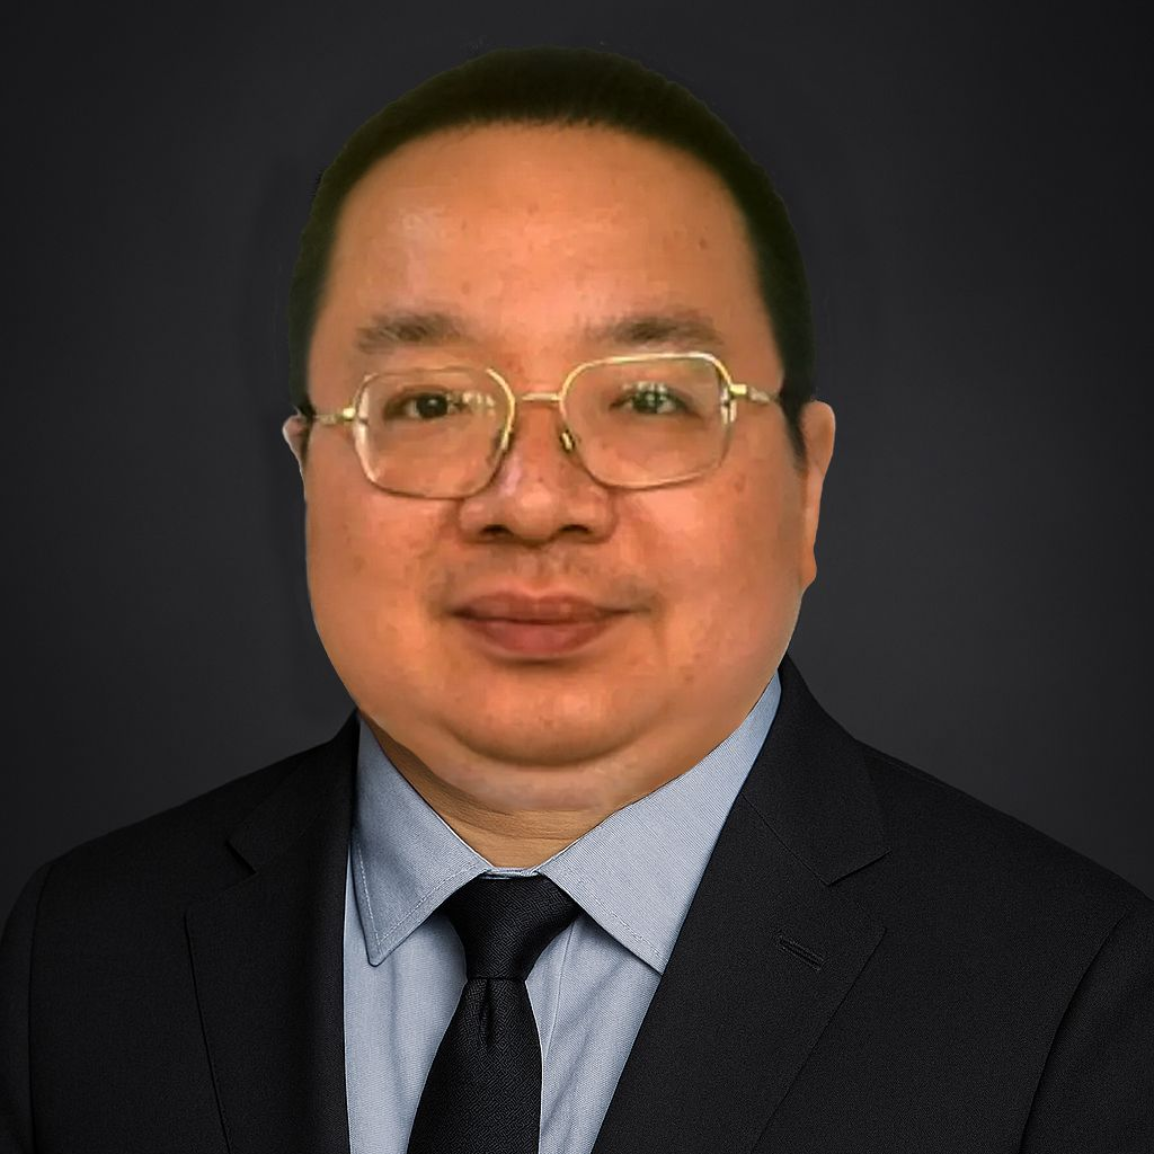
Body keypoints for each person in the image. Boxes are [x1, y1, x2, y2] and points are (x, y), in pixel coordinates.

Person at [1, 44, 1151, 1154]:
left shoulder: (1077, 996)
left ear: (805, 485)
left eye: (650, 397)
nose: (535, 498)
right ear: (307, 472)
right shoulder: (81, 954)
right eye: (431, 402)